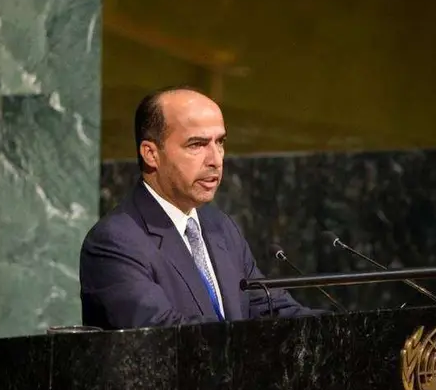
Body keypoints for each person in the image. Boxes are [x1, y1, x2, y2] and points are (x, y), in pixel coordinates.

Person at [79, 86, 321, 330]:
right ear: (151, 154)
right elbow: (161, 334)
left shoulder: (221, 227)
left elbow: (269, 308)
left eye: (220, 142)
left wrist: (348, 330)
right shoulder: (116, 242)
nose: (215, 159)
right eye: (196, 144)